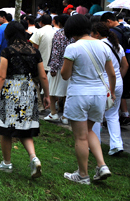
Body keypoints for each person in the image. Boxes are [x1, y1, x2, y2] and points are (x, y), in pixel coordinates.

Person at [0, 21, 50, 179]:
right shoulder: (34, 52)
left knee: (6, 127)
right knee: (25, 125)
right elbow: (42, 75)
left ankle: (7, 163)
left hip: (11, 88)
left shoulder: (7, 51)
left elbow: (1, 76)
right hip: (28, 88)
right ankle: (33, 158)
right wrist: (47, 95)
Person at [61, 14, 116, 184]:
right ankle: (101, 165)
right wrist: (112, 92)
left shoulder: (73, 48)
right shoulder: (104, 46)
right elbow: (112, 74)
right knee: (90, 130)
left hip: (79, 94)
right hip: (99, 95)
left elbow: (65, 75)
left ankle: (83, 174)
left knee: (80, 136)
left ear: (71, 30)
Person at [91, 22, 128, 156]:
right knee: (113, 115)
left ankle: (94, 144)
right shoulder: (117, 45)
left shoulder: (98, 46)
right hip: (117, 83)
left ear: (97, 34)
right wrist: (118, 80)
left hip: (103, 84)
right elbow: (125, 65)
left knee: (96, 115)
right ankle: (117, 145)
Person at [44, 14, 73, 124]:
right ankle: (65, 115)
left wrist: (53, 68)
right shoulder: (74, 35)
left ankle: (53, 113)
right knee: (67, 92)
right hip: (70, 67)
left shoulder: (59, 34)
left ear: (59, 23)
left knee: (51, 90)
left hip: (58, 65)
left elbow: (56, 52)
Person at [29, 14, 56, 112]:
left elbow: (34, 49)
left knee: (35, 83)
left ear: (41, 22)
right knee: (46, 85)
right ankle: (47, 104)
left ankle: (39, 105)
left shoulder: (39, 32)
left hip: (39, 63)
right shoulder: (56, 32)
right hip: (52, 64)